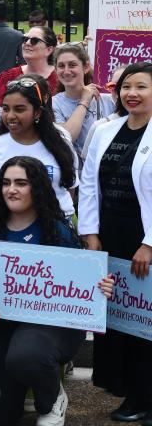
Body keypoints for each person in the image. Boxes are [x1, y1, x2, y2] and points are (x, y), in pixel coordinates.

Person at [0, 156, 113, 425]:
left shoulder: (56, 230)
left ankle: (50, 399)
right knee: (0, 414)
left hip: (43, 326)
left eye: (20, 183)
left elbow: (79, 281)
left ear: (36, 188)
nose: (11, 189)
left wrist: (100, 286)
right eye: (5, 183)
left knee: (25, 356)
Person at [79, 62, 152, 421]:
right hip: (110, 232)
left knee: (145, 318)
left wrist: (150, 244)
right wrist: (90, 232)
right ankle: (124, 385)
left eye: (141, 86)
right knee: (120, 313)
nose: (132, 93)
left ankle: (144, 396)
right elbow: (90, 183)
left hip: (144, 237)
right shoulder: (106, 128)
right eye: (126, 87)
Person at [0, 75, 78, 218]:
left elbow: (70, 187)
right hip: (11, 228)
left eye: (19, 109)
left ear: (37, 112)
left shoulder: (61, 141)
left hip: (58, 226)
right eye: (6, 109)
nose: (10, 116)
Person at [51, 43, 116, 160]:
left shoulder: (107, 100)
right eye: (61, 66)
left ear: (85, 68)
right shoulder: (53, 103)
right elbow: (67, 138)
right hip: (73, 171)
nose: (66, 71)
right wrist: (84, 102)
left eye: (72, 65)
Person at [0, 25, 59, 103]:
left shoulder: (60, 77)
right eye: (25, 39)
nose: (27, 43)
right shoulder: (7, 76)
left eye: (34, 40)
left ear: (49, 50)